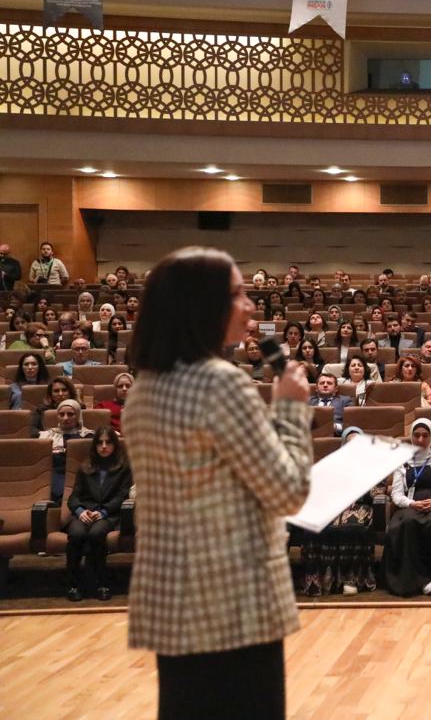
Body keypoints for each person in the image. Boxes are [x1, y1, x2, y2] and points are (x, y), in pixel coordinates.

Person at [125, 247, 312, 719]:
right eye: (237, 293)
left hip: (174, 600)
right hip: (234, 604)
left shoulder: (145, 386)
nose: (250, 305)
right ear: (201, 305)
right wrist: (289, 406)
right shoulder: (221, 383)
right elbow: (289, 491)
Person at [299, 426, 384, 597]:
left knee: (354, 527)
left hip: (360, 506)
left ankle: (350, 580)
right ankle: (319, 582)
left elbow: (379, 490)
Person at [384, 417, 431, 597]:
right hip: (412, 504)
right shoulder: (402, 461)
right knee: (407, 524)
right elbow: (397, 494)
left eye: (425, 436)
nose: (420, 440)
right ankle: (419, 581)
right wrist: (411, 504)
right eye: (416, 435)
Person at [64, 427, 132, 601]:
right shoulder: (85, 467)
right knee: (76, 534)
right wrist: (80, 512)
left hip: (109, 514)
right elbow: (73, 498)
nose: (103, 446)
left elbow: (122, 496)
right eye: (100, 443)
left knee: (96, 533)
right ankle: (74, 584)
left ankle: (102, 583)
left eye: (108, 442)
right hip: (85, 513)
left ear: (114, 445)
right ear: (94, 446)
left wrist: (104, 511)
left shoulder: (124, 468)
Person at [36, 397, 94, 503]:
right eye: (61, 414)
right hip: (54, 478)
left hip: (81, 477)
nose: (65, 418)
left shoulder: (88, 436)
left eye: (70, 414)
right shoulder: (46, 436)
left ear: (78, 416)